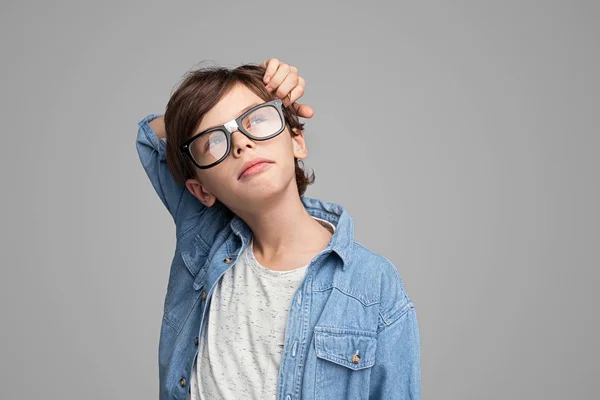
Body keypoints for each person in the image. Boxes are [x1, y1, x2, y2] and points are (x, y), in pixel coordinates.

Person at [136, 58, 420, 400]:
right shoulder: (204, 240)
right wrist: (199, 106)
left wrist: (264, 89)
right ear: (201, 191)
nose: (241, 143)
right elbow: (151, 138)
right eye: (214, 141)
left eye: (257, 120)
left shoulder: (373, 282)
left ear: (297, 140)